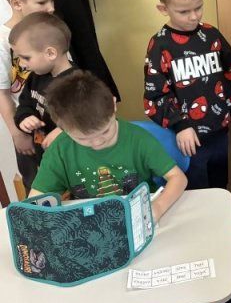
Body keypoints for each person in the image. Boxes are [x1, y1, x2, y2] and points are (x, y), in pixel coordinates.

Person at [29, 70, 187, 222]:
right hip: (88, 221)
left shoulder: (139, 140)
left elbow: (177, 178)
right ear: (61, 128)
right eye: (83, 139)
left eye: (105, 131)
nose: (97, 142)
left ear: (113, 104)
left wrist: (158, 206)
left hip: (138, 216)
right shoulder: (60, 150)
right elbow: (38, 198)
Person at [143, 0, 231, 190]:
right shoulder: (160, 45)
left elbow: (230, 71)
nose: (193, 16)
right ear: (163, 9)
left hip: (219, 131)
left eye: (198, 7)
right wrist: (180, 125)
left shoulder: (211, 35)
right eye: (184, 11)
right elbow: (155, 94)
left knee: (219, 186)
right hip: (188, 138)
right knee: (197, 190)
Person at [0, 0, 56, 192]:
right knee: (37, 187)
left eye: (52, 0)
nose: (51, 8)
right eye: (42, 2)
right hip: (27, 129)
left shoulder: (51, 29)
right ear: (17, 3)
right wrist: (17, 133)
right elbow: (2, 94)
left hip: (60, 127)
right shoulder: (2, 41)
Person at [10, 12, 75, 166]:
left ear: (50, 53)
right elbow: (25, 104)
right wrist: (25, 118)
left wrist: (63, 131)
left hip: (72, 161)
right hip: (47, 158)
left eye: (26, 57)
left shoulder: (78, 84)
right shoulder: (35, 77)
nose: (22, 64)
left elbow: (90, 119)